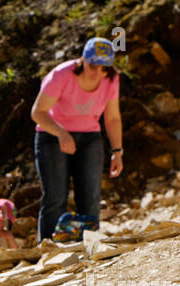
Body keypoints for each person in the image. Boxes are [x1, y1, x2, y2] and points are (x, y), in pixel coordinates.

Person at [30, 37, 124, 241]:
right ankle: (47, 247)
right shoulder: (61, 75)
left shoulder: (111, 79)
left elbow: (113, 118)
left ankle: (88, 245)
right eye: (93, 66)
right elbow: (38, 112)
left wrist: (117, 151)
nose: (97, 73)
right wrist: (61, 133)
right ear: (82, 59)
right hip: (52, 135)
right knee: (55, 196)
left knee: (90, 195)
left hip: (90, 137)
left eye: (104, 68)